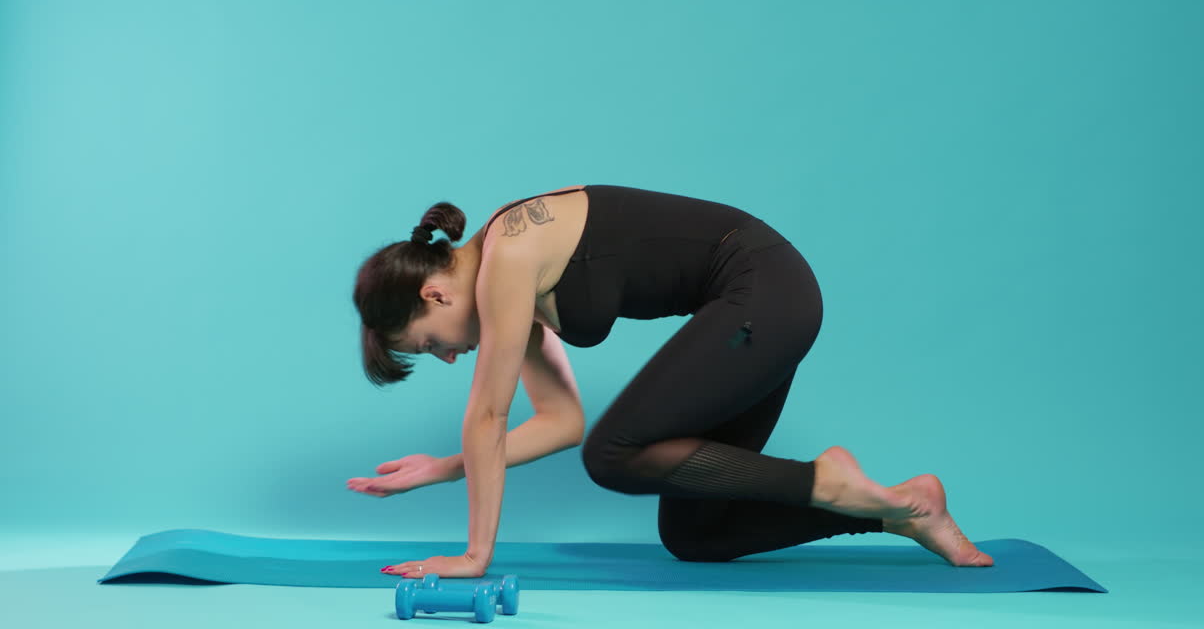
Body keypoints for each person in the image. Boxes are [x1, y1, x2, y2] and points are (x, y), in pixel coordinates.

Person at [351, 184, 993, 570]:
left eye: (430, 344)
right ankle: (899, 512)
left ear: (434, 295)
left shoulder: (508, 255)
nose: (449, 357)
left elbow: (489, 417)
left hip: (765, 290)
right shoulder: (507, 296)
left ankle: (830, 479)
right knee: (695, 534)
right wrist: (443, 465)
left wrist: (474, 558)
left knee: (614, 456)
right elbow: (561, 422)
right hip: (759, 313)